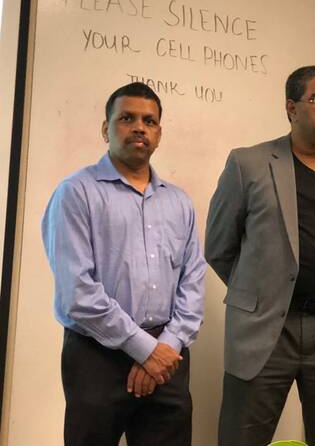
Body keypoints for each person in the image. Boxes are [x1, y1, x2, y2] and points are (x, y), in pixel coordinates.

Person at [205, 65, 315, 445]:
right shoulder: (248, 163)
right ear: (291, 107)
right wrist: (259, 293)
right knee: (242, 438)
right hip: (265, 327)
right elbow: (219, 247)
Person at [42, 82, 206, 446]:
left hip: (169, 354)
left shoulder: (179, 202)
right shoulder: (76, 193)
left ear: (159, 133)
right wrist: (145, 350)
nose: (139, 127)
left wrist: (166, 346)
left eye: (149, 121)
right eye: (127, 118)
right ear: (106, 129)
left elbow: (193, 282)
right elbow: (77, 293)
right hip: (97, 356)